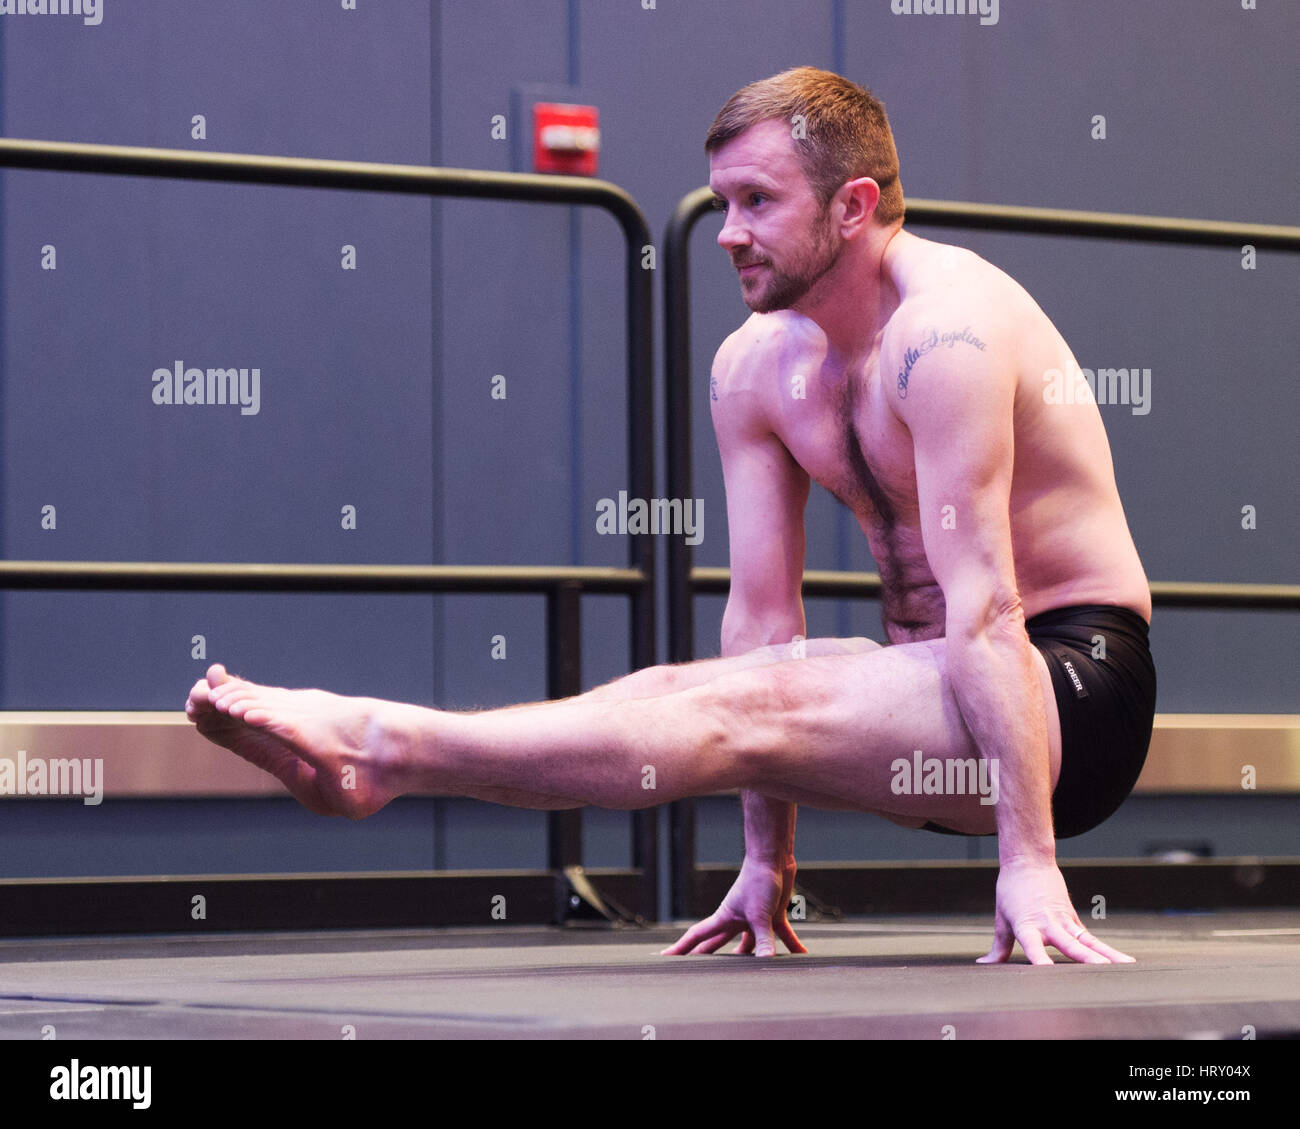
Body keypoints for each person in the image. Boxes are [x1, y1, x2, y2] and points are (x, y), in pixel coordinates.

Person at [186, 67, 1155, 966]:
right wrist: (766, 866)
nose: (726, 230)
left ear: (853, 206)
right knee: (668, 684)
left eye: (757, 202)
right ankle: (381, 766)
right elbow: (763, 627)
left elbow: (985, 607)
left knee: (750, 704)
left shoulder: (948, 334)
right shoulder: (754, 366)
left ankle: (384, 746)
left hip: (1069, 703)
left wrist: (1027, 862)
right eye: (723, 200)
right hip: (934, 710)